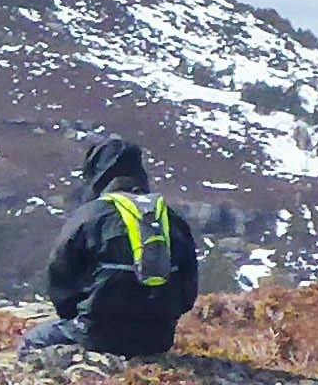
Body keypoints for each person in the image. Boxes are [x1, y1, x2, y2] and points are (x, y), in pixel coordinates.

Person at [27, 132, 200, 357]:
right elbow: (188, 290)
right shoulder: (170, 217)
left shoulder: (90, 216)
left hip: (98, 335)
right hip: (158, 338)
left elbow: (60, 278)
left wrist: (80, 316)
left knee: (31, 344)